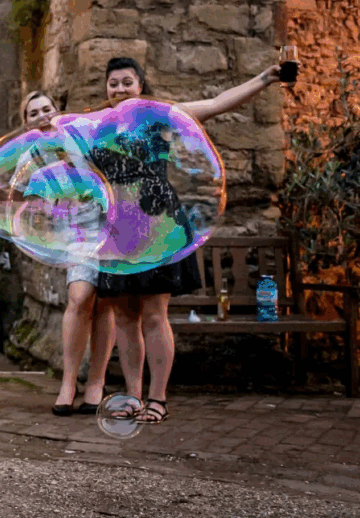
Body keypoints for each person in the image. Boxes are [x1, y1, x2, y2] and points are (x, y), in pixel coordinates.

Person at [94, 56, 281, 424]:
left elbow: (214, 104)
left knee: (153, 313)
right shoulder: (98, 125)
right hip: (118, 226)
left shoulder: (160, 116)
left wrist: (265, 77)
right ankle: (132, 396)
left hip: (158, 222)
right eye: (113, 83)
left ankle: (158, 398)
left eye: (127, 82)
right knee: (124, 317)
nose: (119, 89)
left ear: (141, 85)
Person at [19, 91, 115, 417]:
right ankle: (69, 382)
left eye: (47, 109)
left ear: (57, 112)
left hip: (111, 226)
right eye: (34, 113)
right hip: (76, 234)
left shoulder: (81, 138)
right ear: (27, 122)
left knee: (104, 303)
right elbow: (32, 207)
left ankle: (97, 383)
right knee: (79, 298)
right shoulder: (29, 159)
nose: (42, 115)